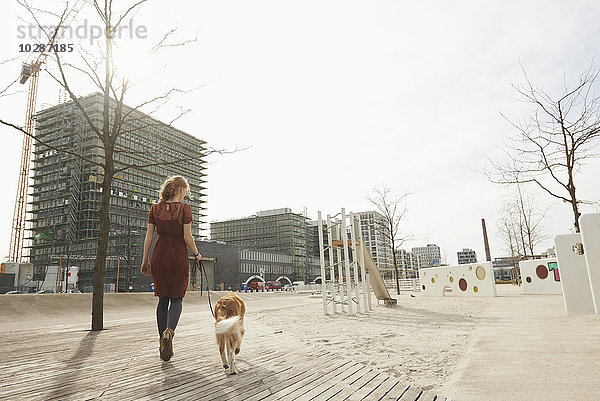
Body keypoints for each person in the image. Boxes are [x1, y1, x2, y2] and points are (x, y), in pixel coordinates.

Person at [141, 175, 202, 361]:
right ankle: (170, 332)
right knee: (177, 299)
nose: (185, 196)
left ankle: (162, 340)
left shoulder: (154, 209)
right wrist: (197, 254)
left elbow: (149, 237)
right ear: (180, 190)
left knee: (162, 300)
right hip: (177, 256)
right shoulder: (184, 209)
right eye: (186, 192)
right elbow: (187, 237)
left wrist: (145, 260)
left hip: (159, 255)